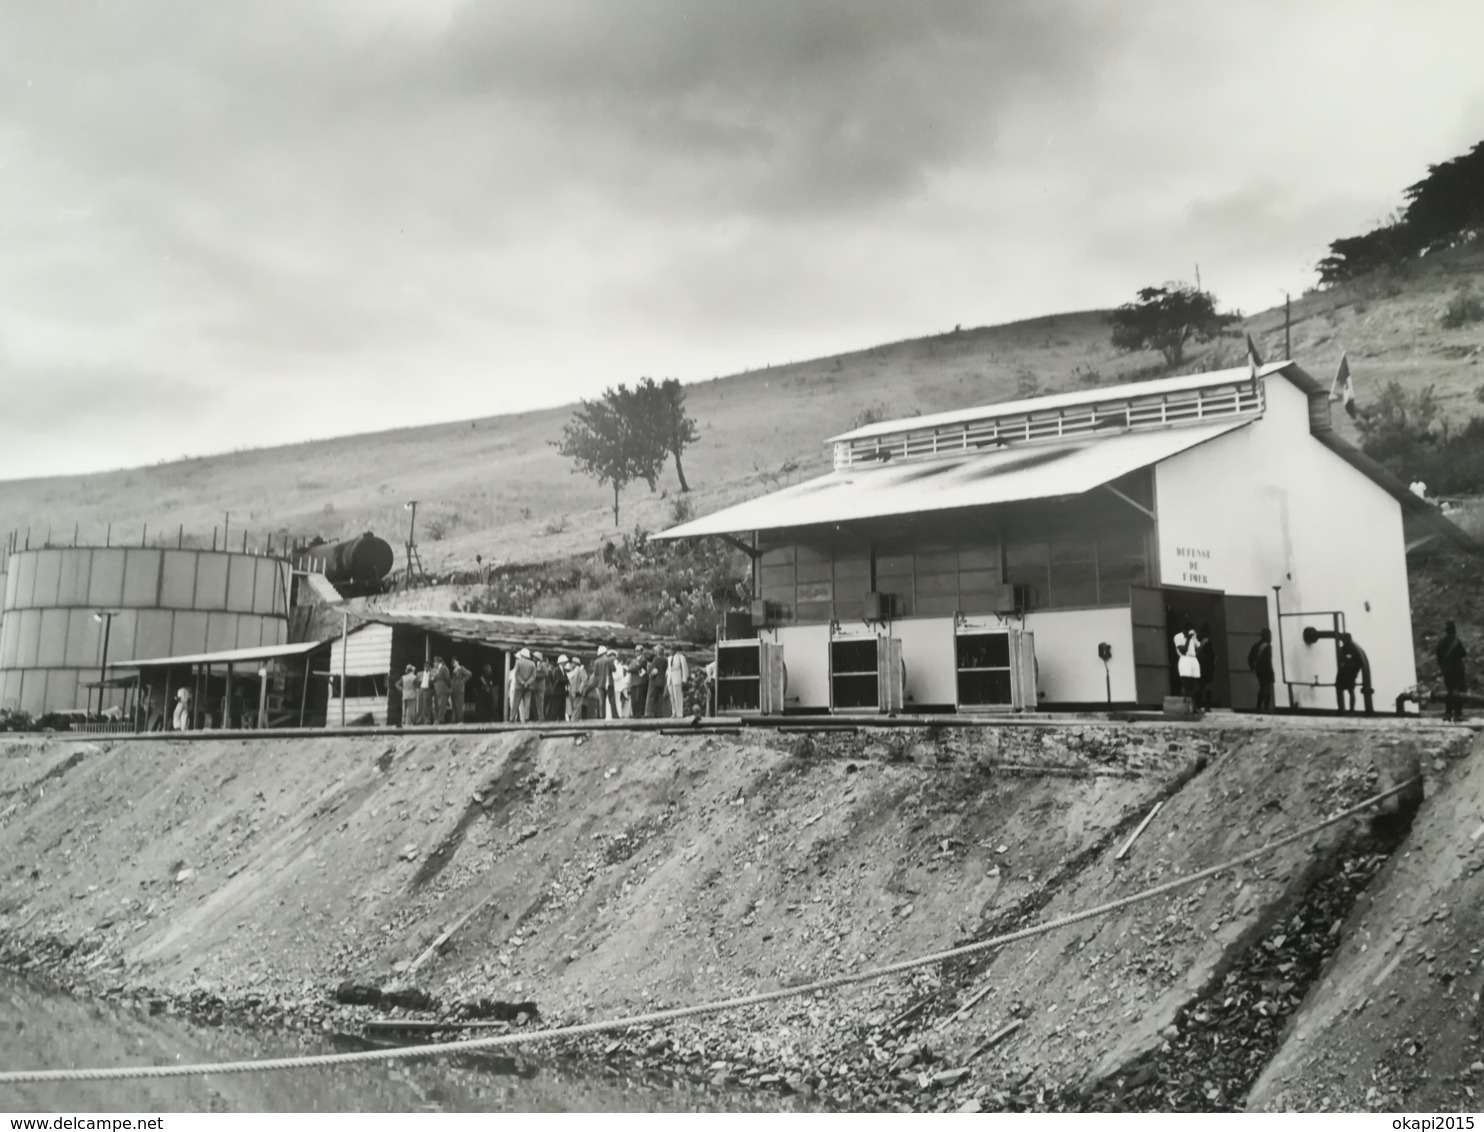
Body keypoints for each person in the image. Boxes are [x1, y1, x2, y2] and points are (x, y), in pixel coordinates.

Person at [1437, 621, 1468, 722]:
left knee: (1449, 691)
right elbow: (1464, 654)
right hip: (1457, 671)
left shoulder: (1441, 642)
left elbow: (1439, 657)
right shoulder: (1457, 642)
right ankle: (1458, 714)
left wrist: (1443, 668)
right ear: (1454, 631)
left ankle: (1448, 713)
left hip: (1447, 671)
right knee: (1457, 692)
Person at [1172, 621, 1201, 707]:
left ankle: (1194, 707)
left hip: (1193, 659)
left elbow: (1198, 647)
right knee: (1186, 684)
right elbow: (1183, 651)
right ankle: (1185, 707)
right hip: (1185, 660)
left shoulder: (1192, 637)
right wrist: (1188, 638)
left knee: (1195, 685)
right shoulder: (1178, 637)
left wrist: (1194, 637)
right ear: (1183, 629)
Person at [1247, 629, 1275, 713]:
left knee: (1262, 688)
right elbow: (1268, 660)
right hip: (1267, 670)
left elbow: (1250, 657)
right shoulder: (1268, 647)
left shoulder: (1256, 646)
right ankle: (1265, 707)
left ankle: (1258, 707)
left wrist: (1252, 667)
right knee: (1267, 689)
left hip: (1259, 670)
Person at [1335, 636, 1362, 714]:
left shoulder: (1351, 649)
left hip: (1348, 673)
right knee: (1347, 690)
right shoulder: (1350, 648)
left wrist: (1353, 671)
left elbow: (1357, 662)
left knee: (1343, 690)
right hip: (1347, 673)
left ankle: (1343, 709)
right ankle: (1349, 710)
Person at [591, 645, 618, 719]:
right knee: (612, 700)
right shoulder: (608, 660)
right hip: (608, 683)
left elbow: (596, 674)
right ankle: (614, 715)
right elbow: (614, 669)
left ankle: (602, 716)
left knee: (602, 702)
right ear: (605, 652)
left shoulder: (596, 662)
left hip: (600, 684)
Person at [1195, 622, 1216, 711]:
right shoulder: (1207, 642)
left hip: (1200, 667)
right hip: (1207, 667)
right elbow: (1211, 656)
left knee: (1199, 687)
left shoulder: (1199, 643)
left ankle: (1198, 705)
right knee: (1207, 687)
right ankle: (1207, 706)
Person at [512, 648, 536, 722]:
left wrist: (522, 682)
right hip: (529, 686)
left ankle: (512, 717)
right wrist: (527, 683)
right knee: (527, 703)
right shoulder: (532, 664)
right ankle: (526, 718)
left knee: (515, 702)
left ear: (522, 655)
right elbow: (533, 676)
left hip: (519, 685)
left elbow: (516, 674)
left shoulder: (518, 662)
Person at [667, 647, 690, 719]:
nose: (670, 651)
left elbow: (684, 669)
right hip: (670, 679)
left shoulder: (681, 657)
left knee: (678, 697)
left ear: (675, 650)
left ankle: (680, 713)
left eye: (671, 650)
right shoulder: (669, 658)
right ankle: (674, 712)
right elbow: (668, 669)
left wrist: (684, 680)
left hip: (678, 679)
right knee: (672, 697)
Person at [647, 647, 668, 719]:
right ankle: (659, 715)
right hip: (662, 681)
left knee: (652, 698)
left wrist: (649, 669)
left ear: (657, 652)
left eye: (655, 651)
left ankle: (650, 715)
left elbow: (650, 670)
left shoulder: (656, 659)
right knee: (659, 700)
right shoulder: (665, 660)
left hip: (655, 681)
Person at [547, 655, 568, 723]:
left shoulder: (563, 671)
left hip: (562, 692)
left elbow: (566, 680)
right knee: (555, 708)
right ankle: (552, 721)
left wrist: (564, 680)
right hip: (557, 692)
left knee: (562, 708)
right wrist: (564, 680)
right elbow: (559, 679)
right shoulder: (556, 670)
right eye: (564, 662)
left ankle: (561, 720)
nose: (565, 663)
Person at [450, 658, 471, 724]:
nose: (453, 663)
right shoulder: (453, 670)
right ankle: (454, 720)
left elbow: (469, 674)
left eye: (454, 661)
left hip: (459, 689)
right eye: (452, 662)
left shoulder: (461, 668)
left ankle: (460, 720)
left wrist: (462, 682)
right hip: (453, 689)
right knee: (454, 705)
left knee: (459, 704)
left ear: (457, 661)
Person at [432, 656, 453, 724]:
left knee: (441, 705)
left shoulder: (444, 668)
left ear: (438, 662)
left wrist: (447, 686)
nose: (434, 664)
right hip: (437, 690)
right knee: (437, 705)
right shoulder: (437, 670)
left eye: (435, 662)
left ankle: (440, 720)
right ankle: (439, 719)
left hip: (443, 689)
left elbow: (447, 679)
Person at [614, 654, 631, 718]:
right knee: (626, 704)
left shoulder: (622, 668)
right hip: (625, 687)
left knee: (620, 702)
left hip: (621, 687)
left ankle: (620, 715)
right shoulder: (626, 669)